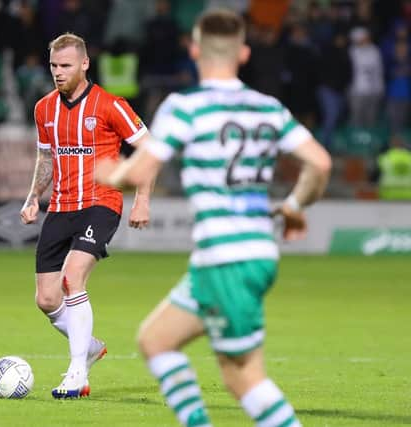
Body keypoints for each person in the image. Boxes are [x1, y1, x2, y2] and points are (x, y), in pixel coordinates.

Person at [95, 10, 331, 426]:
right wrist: (294, 206)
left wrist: (109, 173)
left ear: (193, 49)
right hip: (244, 254)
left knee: (243, 377)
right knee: (156, 340)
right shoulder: (268, 108)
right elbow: (319, 163)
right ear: (243, 53)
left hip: (227, 258)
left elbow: (138, 172)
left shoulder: (186, 108)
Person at [19, 33, 152, 399]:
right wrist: (33, 198)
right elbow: (46, 157)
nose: (58, 73)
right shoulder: (43, 109)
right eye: (53, 66)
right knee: (46, 299)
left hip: (101, 202)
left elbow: (149, 149)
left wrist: (142, 199)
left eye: (65, 66)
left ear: (84, 64)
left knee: (72, 276)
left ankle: (77, 373)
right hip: (61, 207)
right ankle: (89, 345)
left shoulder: (111, 105)